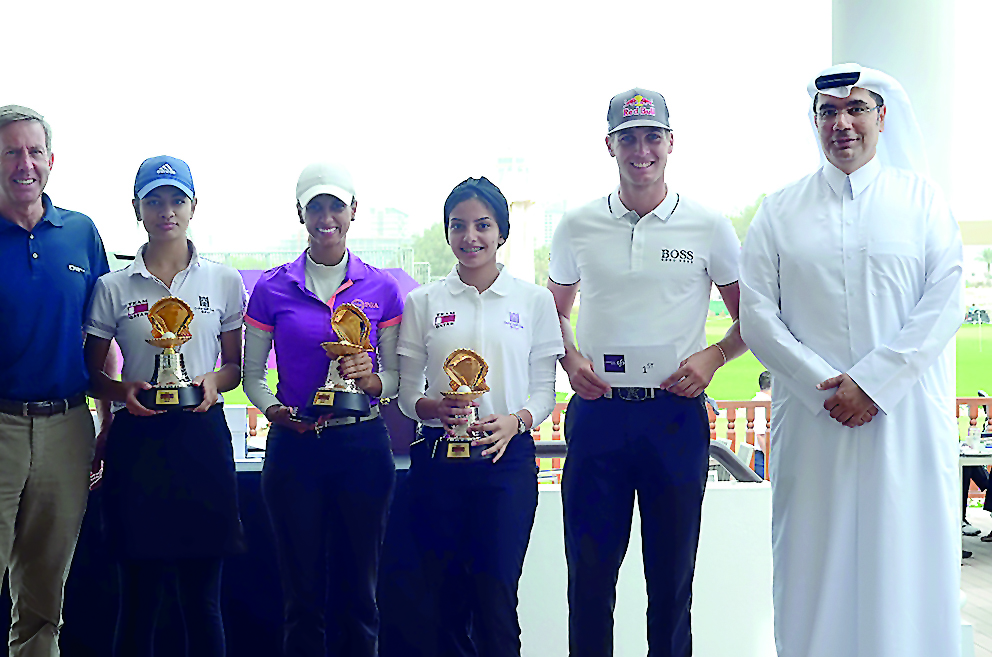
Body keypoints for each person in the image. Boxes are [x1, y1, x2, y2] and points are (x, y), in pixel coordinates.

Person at [739, 64, 964, 657]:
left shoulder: (923, 202)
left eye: (855, 108)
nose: (842, 123)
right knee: (815, 567)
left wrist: (874, 384)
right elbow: (759, 315)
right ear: (814, 122)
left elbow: (944, 301)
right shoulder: (779, 211)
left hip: (904, 423)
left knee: (907, 567)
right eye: (828, 112)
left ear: (882, 117)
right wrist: (826, 387)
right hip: (818, 427)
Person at [548, 88, 747, 656]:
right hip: (600, 416)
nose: (641, 150)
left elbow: (750, 318)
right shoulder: (578, 224)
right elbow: (556, 310)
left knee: (671, 580)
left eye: (652, 136)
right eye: (628, 138)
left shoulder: (708, 224)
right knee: (589, 578)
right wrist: (571, 358)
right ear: (609, 145)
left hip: (674, 418)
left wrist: (713, 357)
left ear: (671, 143)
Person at [84, 156, 246, 657]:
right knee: (138, 601)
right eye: (154, 200)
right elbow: (92, 376)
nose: (166, 211)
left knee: (203, 603)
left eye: (176, 199)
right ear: (136, 208)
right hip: (139, 446)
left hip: (200, 440)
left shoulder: (222, 281)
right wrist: (123, 391)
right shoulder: (113, 286)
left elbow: (234, 369)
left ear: (194, 206)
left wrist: (214, 384)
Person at [397, 177, 564, 656]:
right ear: (448, 232)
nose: (471, 237)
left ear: (502, 231)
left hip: (504, 464)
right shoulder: (423, 302)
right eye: (459, 226)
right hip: (437, 462)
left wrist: (518, 420)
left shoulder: (533, 301)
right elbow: (409, 397)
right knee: (445, 597)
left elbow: (542, 392)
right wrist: (435, 406)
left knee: (495, 594)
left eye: (483, 225)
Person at [243, 162, 403, 657]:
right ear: (301, 214)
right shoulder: (273, 288)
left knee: (360, 594)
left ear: (354, 212)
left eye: (336, 206)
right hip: (296, 447)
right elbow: (252, 377)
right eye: (316, 207)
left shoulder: (382, 288)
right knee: (301, 597)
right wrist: (274, 411)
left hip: (361, 445)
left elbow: (395, 380)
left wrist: (371, 378)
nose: (326, 217)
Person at [0, 105, 110, 656]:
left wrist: (106, 419)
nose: (24, 163)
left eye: (33, 152)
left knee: (44, 602)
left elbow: (104, 336)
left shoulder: (81, 234)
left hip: (68, 426)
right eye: (11, 152)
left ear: (50, 161)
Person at [751, 370, 771, 479]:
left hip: (760, 453)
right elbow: (760, 434)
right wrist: (769, 457)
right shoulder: (764, 403)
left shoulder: (755, 400)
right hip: (761, 455)